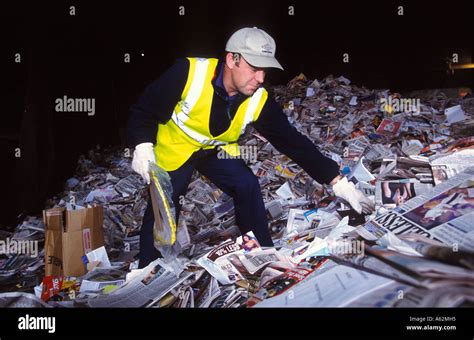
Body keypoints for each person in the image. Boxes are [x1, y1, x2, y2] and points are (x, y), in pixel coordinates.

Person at [127, 27, 374, 268]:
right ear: (232, 59)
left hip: (215, 150)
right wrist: (142, 145)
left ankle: (261, 253)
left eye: (264, 71)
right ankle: (147, 270)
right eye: (254, 69)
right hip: (176, 148)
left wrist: (337, 182)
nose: (261, 79)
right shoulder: (189, 72)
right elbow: (144, 109)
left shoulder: (258, 98)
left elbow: (291, 141)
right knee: (164, 206)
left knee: (246, 184)